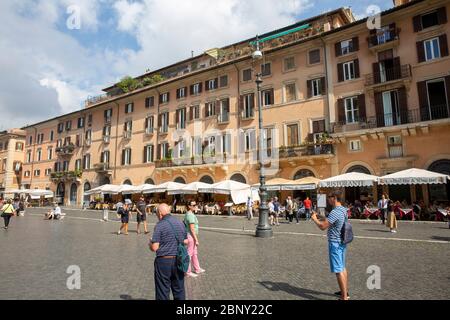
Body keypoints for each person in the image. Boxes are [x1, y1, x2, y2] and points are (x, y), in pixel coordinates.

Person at [311, 191, 350, 300]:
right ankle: (345, 292)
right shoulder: (343, 209)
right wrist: (320, 216)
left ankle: (344, 298)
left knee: (338, 270)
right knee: (342, 267)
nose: (328, 199)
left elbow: (323, 226)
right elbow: (332, 221)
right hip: (342, 241)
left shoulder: (335, 212)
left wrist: (314, 219)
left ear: (335, 198)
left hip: (335, 243)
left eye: (329, 197)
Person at [150, 203, 188, 300]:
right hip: (179, 260)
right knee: (179, 291)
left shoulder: (160, 225)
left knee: (163, 292)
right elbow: (185, 241)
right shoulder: (180, 223)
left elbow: (155, 247)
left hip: (164, 262)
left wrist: (149, 243)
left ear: (160, 213)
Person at [184, 201, 205, 278]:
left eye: (195, 204)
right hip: (191, 236)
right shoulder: (190, 215)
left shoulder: (190, 214)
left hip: (192, 236)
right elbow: (192, 229)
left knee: (194, 254)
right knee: (189, 254)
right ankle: (187, 271)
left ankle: (197, 268)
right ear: (189, 206)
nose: (195, 206)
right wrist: (196, 239)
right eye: (194, 205)